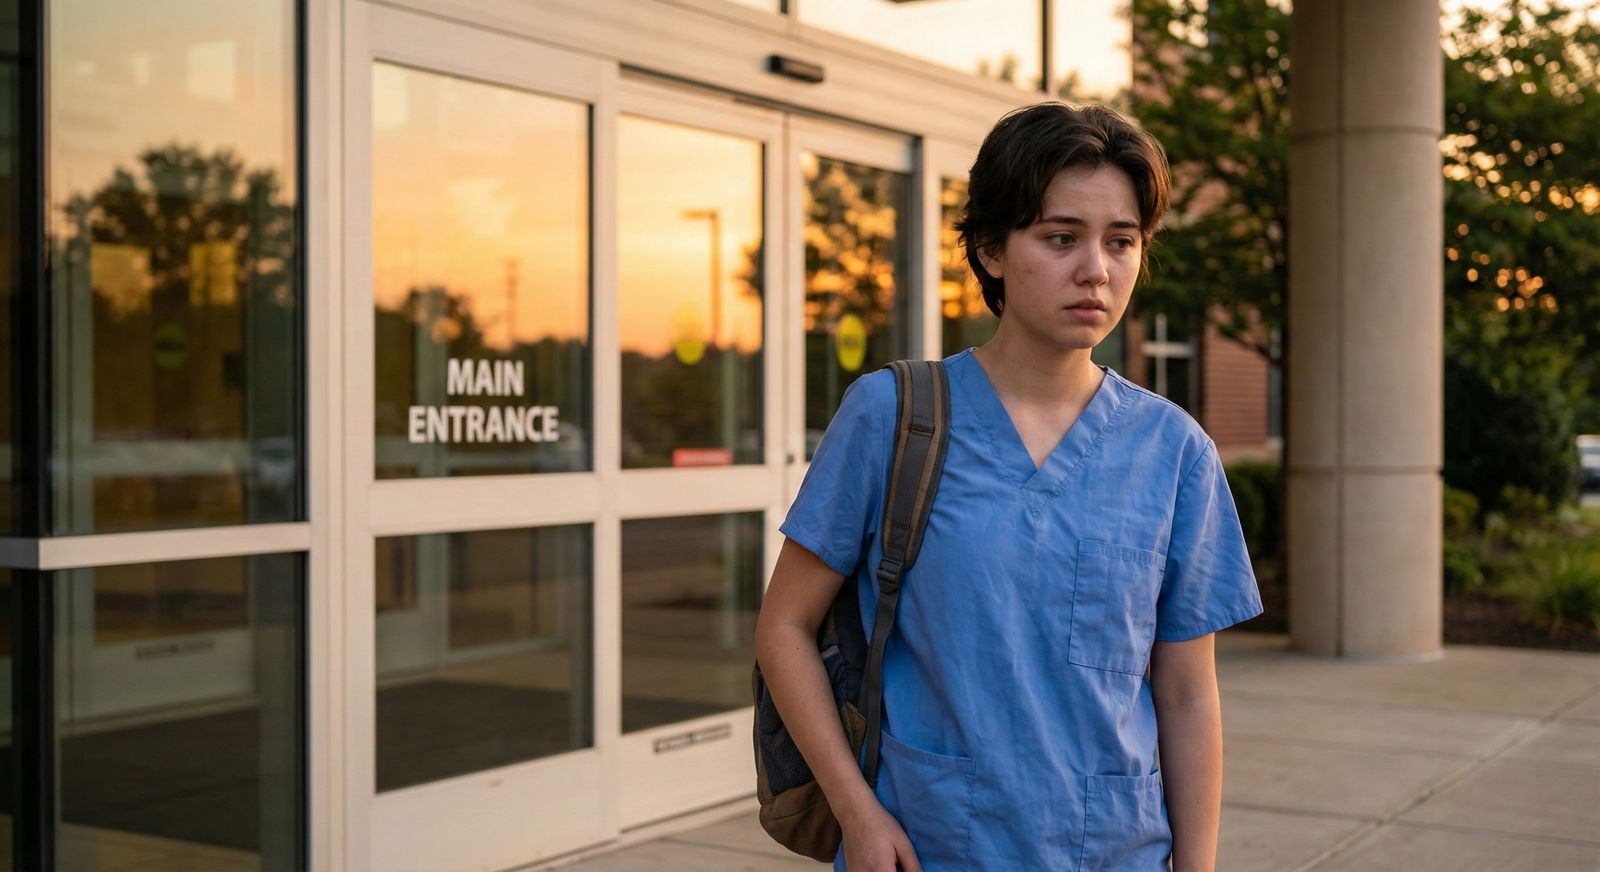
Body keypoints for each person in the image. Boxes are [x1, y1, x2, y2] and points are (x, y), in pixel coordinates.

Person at [753, 102, 1263, 872]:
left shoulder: (1174, 452)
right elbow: (784, 628)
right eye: (1061, 238)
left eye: (1121, 242)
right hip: (926, 845)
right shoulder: (895, 418)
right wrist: (858, 812)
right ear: (991, 250)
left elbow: (1188, 694)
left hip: (1114, 850)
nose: (1096, 267)